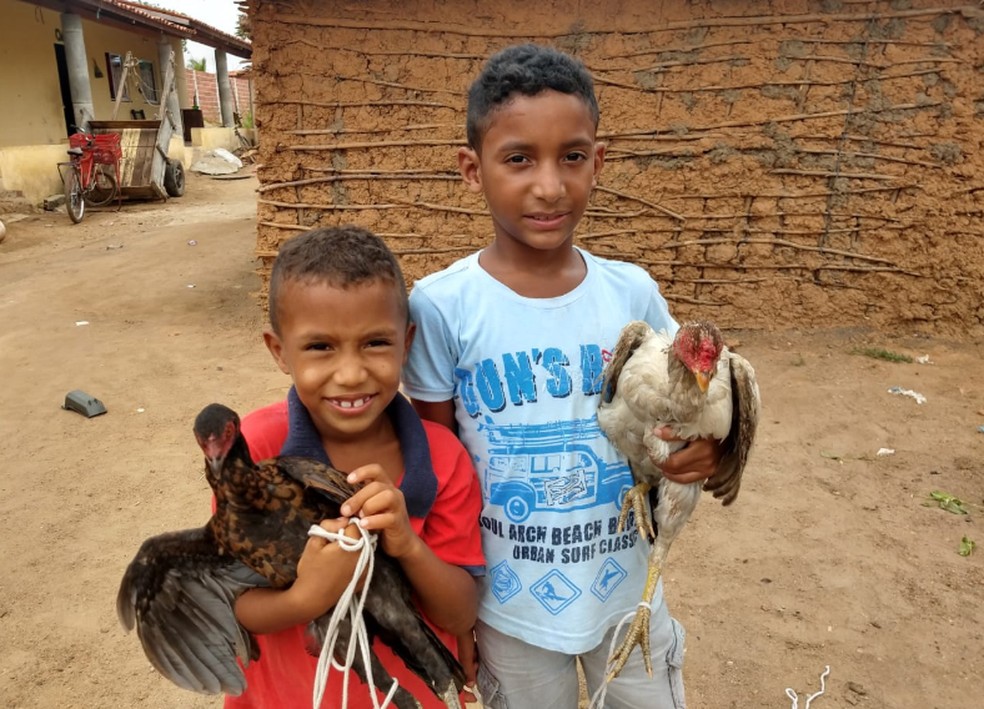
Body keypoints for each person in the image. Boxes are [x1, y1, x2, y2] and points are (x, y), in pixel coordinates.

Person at [403, 44, 722, 709]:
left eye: (571, 157)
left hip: (627, 592)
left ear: (597, 162)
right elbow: (438, 469)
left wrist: (700, 451)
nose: (549, 185)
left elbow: (683, 406)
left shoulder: (630, 293)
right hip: (508, 609)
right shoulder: (440, 306)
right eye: (519, 158)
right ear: (473, 169)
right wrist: (451, 612)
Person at [227, 225, 485, 708]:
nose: (350, 374)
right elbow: (232, 603)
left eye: (375, 344)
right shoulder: (257, 449)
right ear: (279, 351)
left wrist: (406, 543)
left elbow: (459, 614)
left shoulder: (443, 457)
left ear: (407, 343)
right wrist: (305, 599)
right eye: (320, 347)